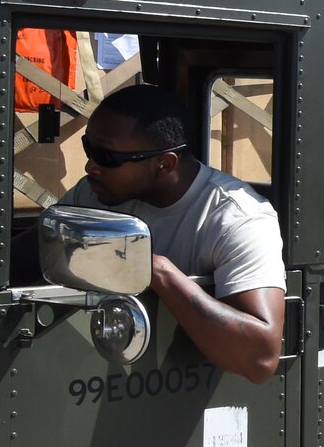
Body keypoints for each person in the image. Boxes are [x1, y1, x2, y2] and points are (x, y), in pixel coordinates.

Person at [61, 84, 285, 382]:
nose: (91, 166)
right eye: (89, 148)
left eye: (108, 157)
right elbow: (29, 253)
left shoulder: (238, 219)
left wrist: (157, 271)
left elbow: (261, 357)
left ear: (164, 164)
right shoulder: (95, 194)